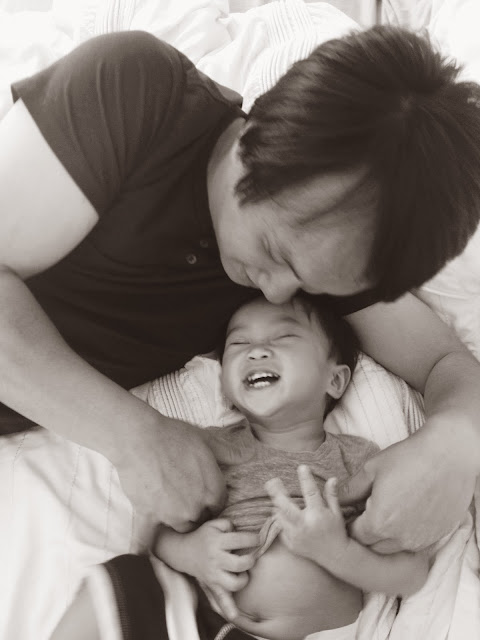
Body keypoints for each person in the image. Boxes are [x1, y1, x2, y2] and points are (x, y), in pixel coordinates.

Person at [1, 24, 480, 550]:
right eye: (277, 253)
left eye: (309, 284)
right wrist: (134, 436)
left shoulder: (331, 243)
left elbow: (446, 364)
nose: (276, 294)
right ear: (258, 140)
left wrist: (453, 444)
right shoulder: (135, 91)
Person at [51, 295, 429, 640]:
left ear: (335, 379)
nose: (256, 351)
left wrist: (337, 552)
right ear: (226, 388)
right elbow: (156, 531)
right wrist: (189, 552)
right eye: (239, 343)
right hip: (206, 623)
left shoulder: (358, 461)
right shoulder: (209, 449)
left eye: (284, 337)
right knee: (118, 581)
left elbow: (412, 574)